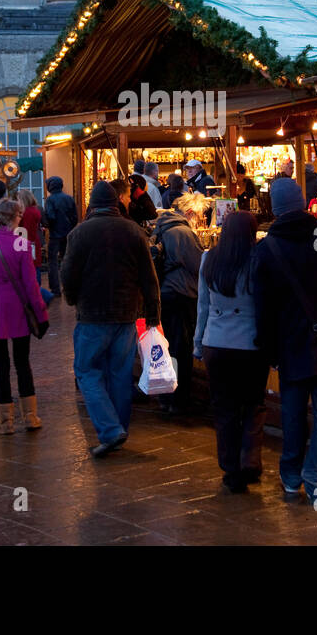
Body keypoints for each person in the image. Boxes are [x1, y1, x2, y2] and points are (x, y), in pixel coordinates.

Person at [252, 178, 317, 505]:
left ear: (276, 207)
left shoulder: (267, 248)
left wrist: (268, 348)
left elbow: (263, 307)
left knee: (293, 413)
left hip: (290, 344)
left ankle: (291, 477)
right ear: (302, 202)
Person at [62, 180, 161, 457]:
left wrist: (71, 299)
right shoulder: (133, 231)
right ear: (117, 202)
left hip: (92, 315)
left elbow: (68, 274)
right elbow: (149, 277)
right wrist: (152, 312)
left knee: (87, 371)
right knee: (120, 374)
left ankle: (110, 429)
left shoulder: (80, 233)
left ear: (92, 204)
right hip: (126, 313)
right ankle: (119, 428)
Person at [194, 210, 266, 492]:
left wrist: (198, 343)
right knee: (252, 405)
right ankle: (249, 459)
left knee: (224, 409)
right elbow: (265, 308)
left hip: (218, 342)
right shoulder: (257, 262)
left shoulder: (209, 259)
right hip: (250, 345)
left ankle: (230, 468)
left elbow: (203, 306)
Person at [0, 198, 49, 434]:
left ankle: (6, 421)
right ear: (13, 218)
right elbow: (30, 285)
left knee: (1, 364)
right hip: (17, 307)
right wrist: (41, 313)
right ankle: (31, 417)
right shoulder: (21, 244)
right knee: (22, 362)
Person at [152, 205, 204, 414]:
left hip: (164, 293)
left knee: (168, 348)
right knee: (181, 349)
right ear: (189, 213)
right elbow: (199, 264)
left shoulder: (160, 230)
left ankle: (165, 396)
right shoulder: (183, 233)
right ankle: (179, 398)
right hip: (182, 294)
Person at [43, 176, 77, 296]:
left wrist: (47, 224)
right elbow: (75, 218)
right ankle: (69, 287)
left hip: (55, 235)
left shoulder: (50, 200)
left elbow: (51, 217)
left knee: (52, 262)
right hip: (67, 233)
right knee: (66, 260)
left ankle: (56, 289)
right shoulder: (69, 198)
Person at [17, 189, 47, 292]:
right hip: (34, 241)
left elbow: (26, 230)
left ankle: (36, 290)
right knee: (35, 265)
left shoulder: (27, 212)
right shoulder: (35, 210)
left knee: (32, 267)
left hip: (28, 242)